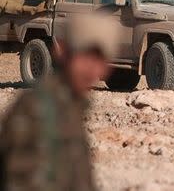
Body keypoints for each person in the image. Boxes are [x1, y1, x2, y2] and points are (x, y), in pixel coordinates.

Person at [0, 14, 119, 190]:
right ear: (62, 51)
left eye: (99, 59)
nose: (91, 68)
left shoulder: (70, 107)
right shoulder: (37, 109)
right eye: (84, 55)